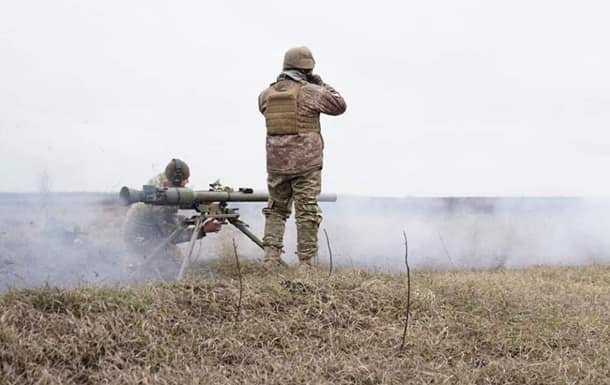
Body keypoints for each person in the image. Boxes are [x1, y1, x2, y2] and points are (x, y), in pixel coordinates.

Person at [258, 46, 346, 268]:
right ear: (308, 66)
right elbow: (339, 105)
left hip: (276, 164)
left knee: (275, 210)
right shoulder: (309, 91)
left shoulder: (266, 94)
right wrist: (320, 84)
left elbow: (264, 109)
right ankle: (306, 263)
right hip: (306, 163)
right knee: (306, 211)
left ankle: (270, 259)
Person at [123, 158, 221, 280]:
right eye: (185, 179)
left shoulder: (162, 182)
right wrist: (203, 230)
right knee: (175, 266)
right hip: (143, 239)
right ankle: (143, 271)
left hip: (142, 230)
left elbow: (173, 210)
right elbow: (173, 236)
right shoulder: (164, 198)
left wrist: (201, 205)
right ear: (177, 179)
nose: (187, 182)